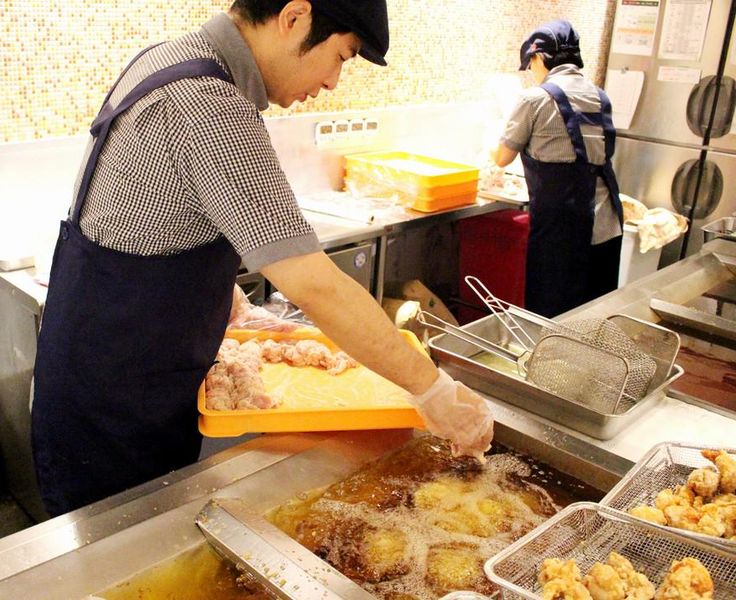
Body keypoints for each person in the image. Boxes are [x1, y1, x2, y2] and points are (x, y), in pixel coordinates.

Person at [32, 0, 493, 517]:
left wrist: (224, 298)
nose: (333, 82)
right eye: (341, 56)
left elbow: (155, 217)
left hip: (103, 377)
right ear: (294, 17)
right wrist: (432, 390)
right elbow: (316, 286)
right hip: (117, 412)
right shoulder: (210, 105)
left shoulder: (168, 59)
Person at [491, 19, 623, 318]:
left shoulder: (534, 98)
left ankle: (553, 365)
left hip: (564, 227)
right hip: (606, 222)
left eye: (531, 64)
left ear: (538, 57)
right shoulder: (600, 96)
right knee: (594, 315)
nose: (532, 73)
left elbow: (501, 157)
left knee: (552, 316)